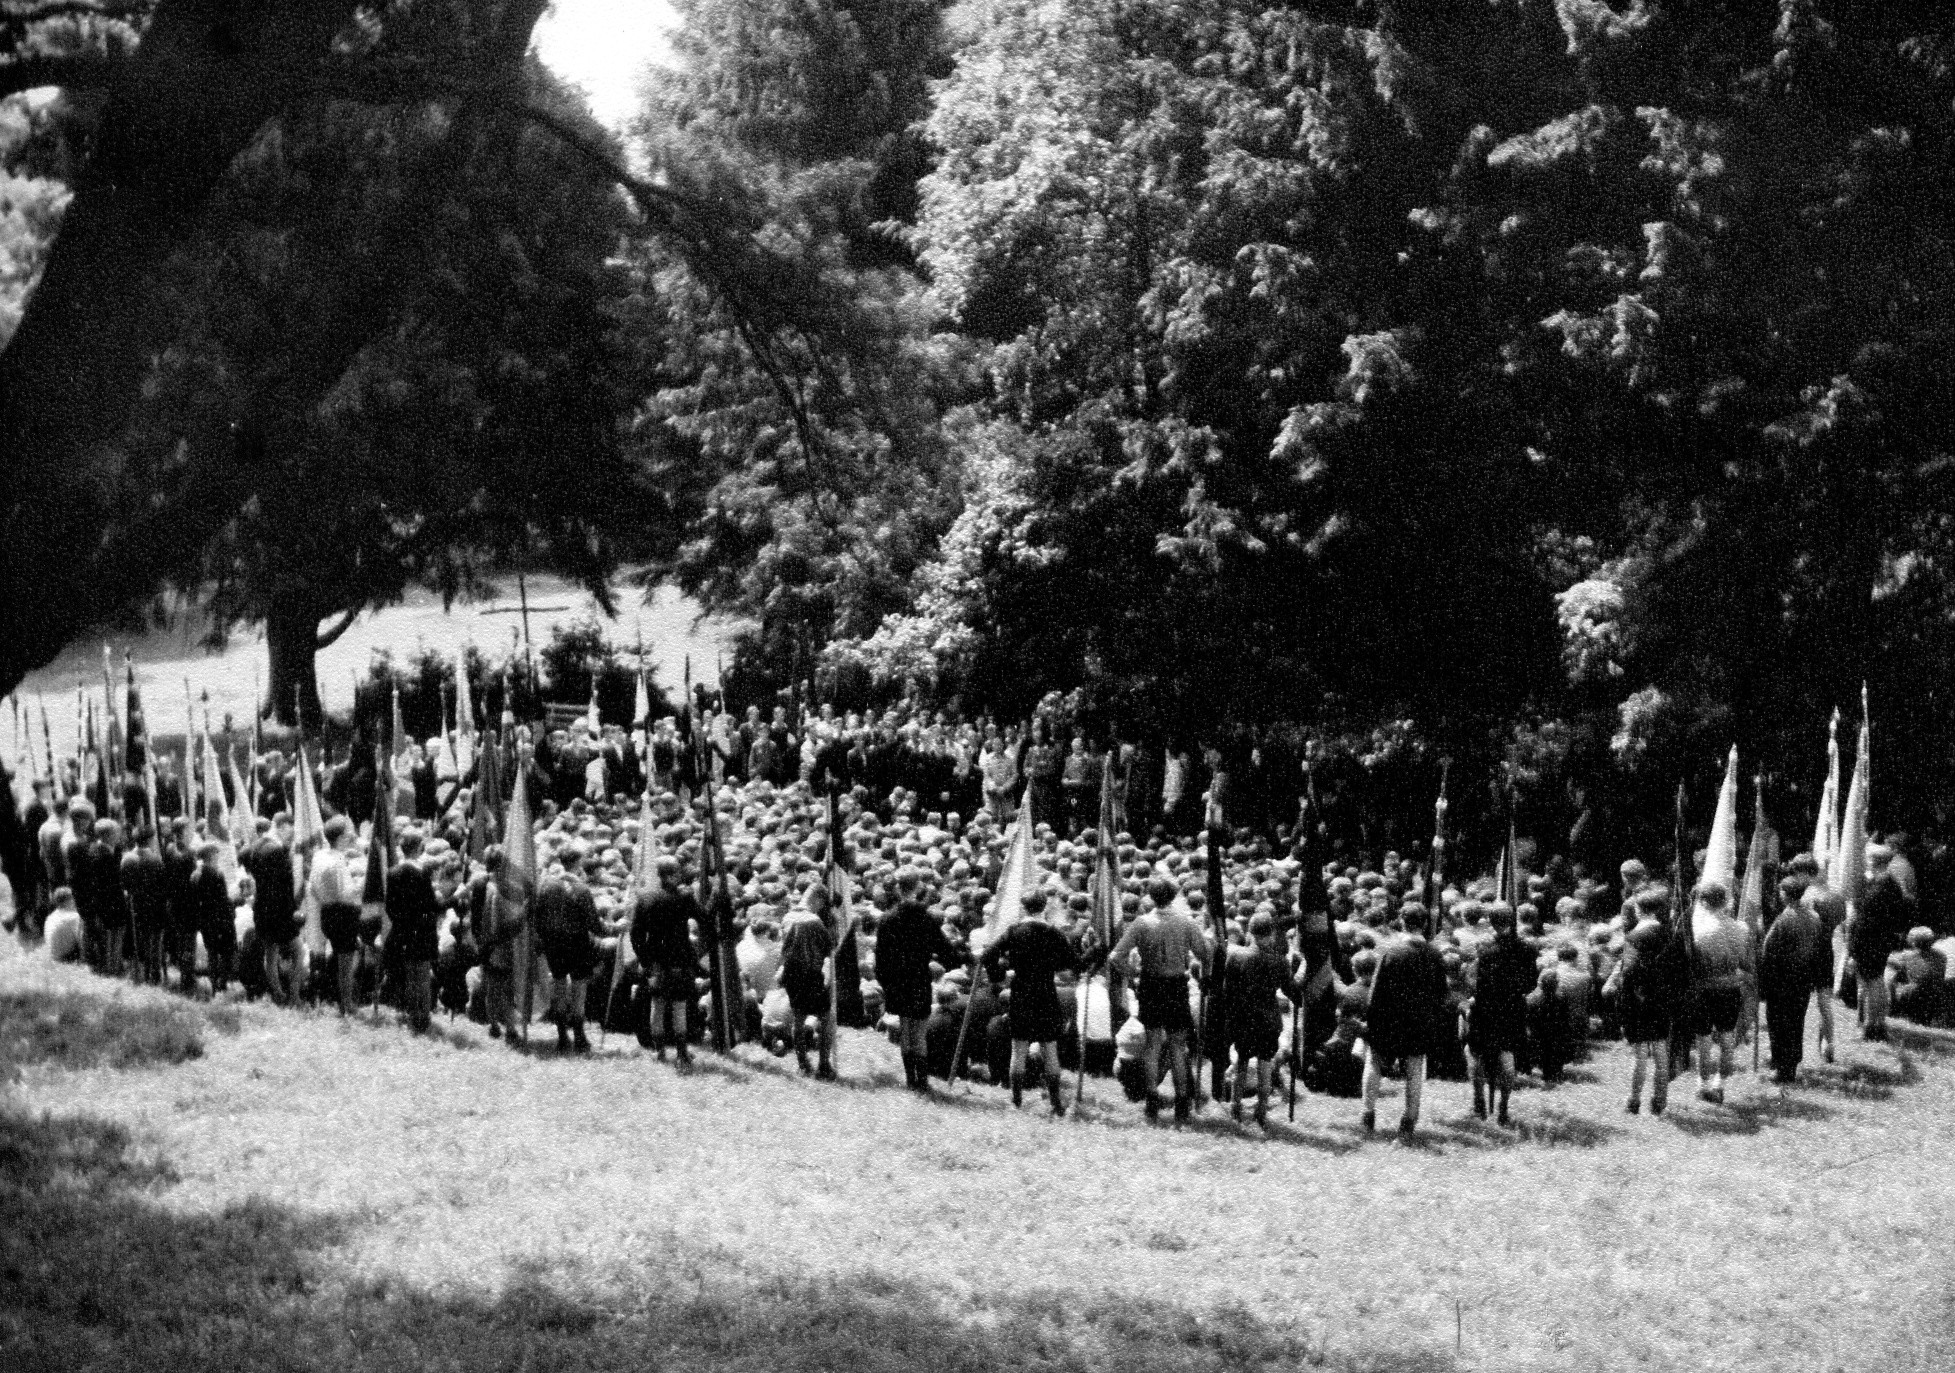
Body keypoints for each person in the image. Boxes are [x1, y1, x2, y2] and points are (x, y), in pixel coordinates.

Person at [1110, 875, 1214, 1123]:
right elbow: (1204, 953)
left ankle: (1152, 1099)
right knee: (1178, 1046)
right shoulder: (1186, 922)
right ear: (1174, 896)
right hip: (1176, 984)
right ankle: (1181, 1102)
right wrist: (1203, 971)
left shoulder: (1141, 923)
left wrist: (1133, 974)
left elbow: (1115, 957)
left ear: (1152, 897)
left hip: (1151, 984)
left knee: (1153, 1044)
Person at [980, 889, 1076, 1114]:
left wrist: (998, 976)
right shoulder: (1053, 932)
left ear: (1024, 907)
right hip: (1046, 993)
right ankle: (1055, 1102)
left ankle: (1016, 1100)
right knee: (1049, 1049)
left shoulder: (1014, 931)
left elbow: (987, 956)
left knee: (1019, 1049)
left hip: (1021, 993)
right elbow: (1074, 962)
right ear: (1043, 907)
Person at [1361, 909, 1449, 1138]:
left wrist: (1370, 1020)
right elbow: (1442, 993)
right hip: (1419, 1022)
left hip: (1388, 1021)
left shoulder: (1390, 951)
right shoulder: (1435, 954)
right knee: (1414, 1071)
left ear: (1401, 921)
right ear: (1425, 924)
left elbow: (1376, 991)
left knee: (1375, 1065)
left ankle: (1367, 1115)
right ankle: (1408, 1123)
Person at [874, 867, 960, 1092]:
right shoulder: (926, 917)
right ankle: (922, 1080)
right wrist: (960, 959)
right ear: (917, 887)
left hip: (897, 981)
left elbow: (880, 958)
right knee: (919, 1033)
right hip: (919, 978)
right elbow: (945, 950)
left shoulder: (887, 918)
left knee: (906, 1029)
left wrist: (886, 984)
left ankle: (910, 1079)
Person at [1222, 911, 1295, 1127]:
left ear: (1250, 932)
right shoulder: (1279, 961)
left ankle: (1235, 1107)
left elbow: (1228, 990)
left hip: (1243, 1018)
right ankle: (1261, 1111)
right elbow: (1290, 990)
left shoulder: (1236, 956)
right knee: (1265, 1064)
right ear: (1271, 934)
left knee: (1241, 1062)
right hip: (1268, 1019)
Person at [631, 857, 703, 1065]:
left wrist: (646, 961)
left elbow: (636, 936)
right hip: (680, 960)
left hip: (656, 962)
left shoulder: (645, 899)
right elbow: (704, 919)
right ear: (672, 875)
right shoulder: (685, 898)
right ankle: (681, 1053)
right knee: (679, 1007)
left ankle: (660, 1052)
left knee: (658, 1006)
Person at [1466, 901, 1532, 1126]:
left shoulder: (1485, 951)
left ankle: (1479, 1104)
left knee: (1475, 1053)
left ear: (1492, 923)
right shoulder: (1526, 948)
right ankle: (1503, 1106)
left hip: (1486, 1010)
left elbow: (1480, 985)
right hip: (1513, 1009)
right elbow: (1531, 982)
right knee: (1507, 1055)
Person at [1689, 881, 1754, 1104]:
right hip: (1730, 989)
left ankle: (1702, 1083)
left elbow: (1694, 967)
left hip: (1706, 989)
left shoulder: (1699, 931)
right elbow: (1746, 964)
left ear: (1704, 902)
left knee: (1704, 1040)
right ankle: (1719, 1083)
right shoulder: (1741, 929)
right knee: (1727, 1038)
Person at [533, 849, 605, 1051]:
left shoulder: (546, 885)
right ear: (577, 864)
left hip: (554, 944)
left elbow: (538, 916)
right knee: (579, 992)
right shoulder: (581, 889)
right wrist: (613, 929)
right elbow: (594, 925)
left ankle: (562, 1036)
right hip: (577, 944)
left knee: (559, 987)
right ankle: (580, 1037)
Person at [1758, 878, 1828, 1083]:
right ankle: (1792, 1062)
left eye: (1781, 891)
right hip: (1804, 978)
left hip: (1783, 979)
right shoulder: (1814, 917)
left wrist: (1763, 981)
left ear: (1786, 895)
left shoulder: (1785, 919)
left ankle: (1782, 1068)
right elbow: (1820, 948)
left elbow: (1768, 951)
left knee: (1779, 1023)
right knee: (1797, 1021)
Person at [1850, 855, 1912, 1041]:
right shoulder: (1894, 886)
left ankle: (1870, 1026)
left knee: (1871, 983)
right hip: (1884, 940)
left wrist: (1853, 949)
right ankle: (1879, 1023)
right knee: (1876, 981)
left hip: (1869, 941)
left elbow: (1862, 922)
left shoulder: (1876, 890)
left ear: (1875, 864)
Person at [386, 830, 441, 1032]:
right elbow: (432, 906)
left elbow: (390, 907)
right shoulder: (423, 873)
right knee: (423, 976)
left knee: (410, 974)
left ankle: (411, 1014)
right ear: (418, 848)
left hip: (403, 930)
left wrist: (401, 923)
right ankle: (423, 1018)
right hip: (423, 930)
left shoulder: (392, 873)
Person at [242, 816, 301, 1005]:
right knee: (298, 952)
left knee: (271, 953)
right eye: (290, 831)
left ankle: (277, 992)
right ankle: (294, 994)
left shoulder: (255, 847)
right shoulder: (277, 850)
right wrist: (293, 908)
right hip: (280, 911)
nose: (291, 836)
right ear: (282, 827)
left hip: (262, 907)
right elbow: (285, 885)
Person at [310, 815, 361, 1014]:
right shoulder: (338, 860)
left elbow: (313, 888)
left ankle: (333, 997)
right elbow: (345, 894)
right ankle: (346, 1004)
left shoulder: (319, 855)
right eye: (348, 831)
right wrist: (361, 886)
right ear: (340, 837)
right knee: (346, 964)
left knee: (339, 959)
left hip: (326, 912)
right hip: (342, 914)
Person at [188, 840, 235, 995]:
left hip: (205, 919)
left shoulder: (195, 875)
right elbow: (223, 899)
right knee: (226, 952)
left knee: (212, 953)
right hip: (220, 918)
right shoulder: (217, 873)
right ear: (211, 855)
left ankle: (214, 986)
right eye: (216, 854)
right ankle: (222, 983)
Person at [42, 885, 82, 962]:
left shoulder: (50, 917)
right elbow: (81, 941)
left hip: (54, 956)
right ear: (68, 901)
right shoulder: (73, 917)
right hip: (66, 957)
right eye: (73, 899)